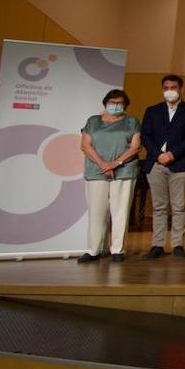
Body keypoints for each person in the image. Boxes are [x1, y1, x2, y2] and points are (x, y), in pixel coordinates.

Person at [139, 74, 185, 259]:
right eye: (166, 88)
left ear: (181, 89)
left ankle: (178, 245)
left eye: (173, 87)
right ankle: (157, 245)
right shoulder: (152, 111)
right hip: (155, 163)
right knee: (159, 207)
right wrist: (158, 154)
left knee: (179, 206)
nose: (170, 91)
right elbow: (145, 135)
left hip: (180, 163)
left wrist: (173, 154)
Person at [77, 89, 141, 263]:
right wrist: (103, 164)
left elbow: (135, 147)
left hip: (124, 171)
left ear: (125, 105)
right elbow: (85, 145)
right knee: (96, 212)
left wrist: (115, 163)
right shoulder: (93, 121)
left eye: (119, 103)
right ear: (105, 103)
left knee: (120, 211)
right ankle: (93, 250)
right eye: (112, 103)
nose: (115, 106)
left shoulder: (132, 121)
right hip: (96, 171)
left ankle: (117, 249)